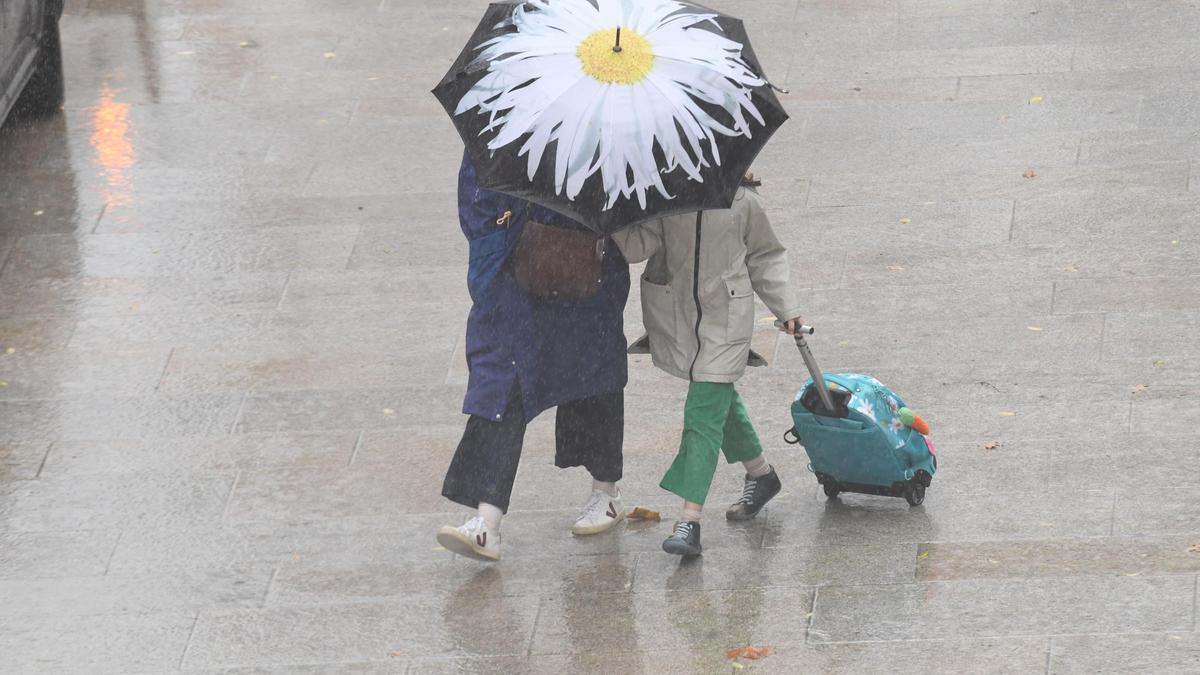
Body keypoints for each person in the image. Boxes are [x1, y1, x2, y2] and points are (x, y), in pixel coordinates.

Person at [436, 151, 631, 562]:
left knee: (594, 376)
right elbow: (477, 201)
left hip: (587, 274)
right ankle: (487, 522)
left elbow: (628, 207)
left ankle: (606, 490)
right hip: (514, 280)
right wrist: (509, 231)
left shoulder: (612, 129)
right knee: (504, 383)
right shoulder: (503, 124)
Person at [611, 174, 803, 556]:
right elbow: (636, 248)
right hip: (678, 318)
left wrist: (787, 309)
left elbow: (765, 255)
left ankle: (690, 520)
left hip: (728, 321)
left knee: (702, 412)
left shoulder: (743, 201)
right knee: (717, 400)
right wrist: (617, 206)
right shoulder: (664, 195)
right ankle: (761, 474)